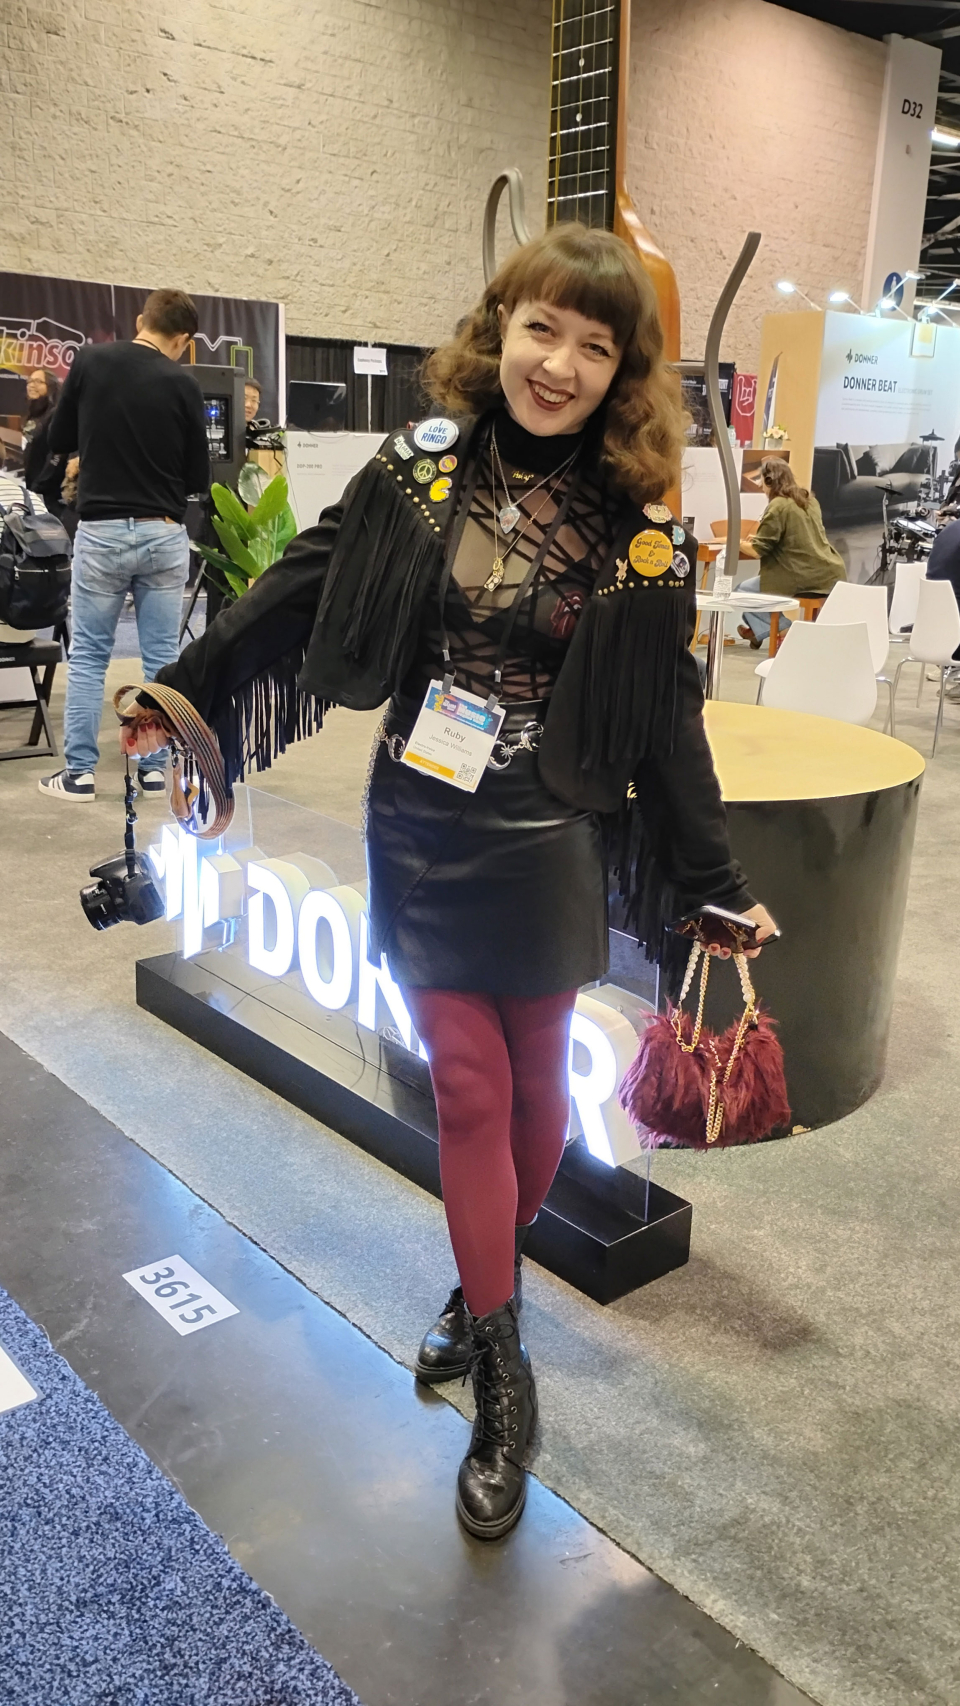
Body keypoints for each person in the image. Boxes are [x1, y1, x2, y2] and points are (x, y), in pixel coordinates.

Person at [119, 226, 776, 1540]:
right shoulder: (417, 471)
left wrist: (711, 875)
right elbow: (301, 586)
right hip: (419, 814)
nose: (561, 362)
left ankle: (481, 1285)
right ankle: (503, 1364)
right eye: (544, 327)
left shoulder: (642, 536)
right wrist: (186, 687)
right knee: (468, 1088)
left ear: (620, 371)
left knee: (538, 1098)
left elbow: (669, 720)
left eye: (596, 344)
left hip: (550, 825)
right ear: (502, 325)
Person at [39, 288, 210, 802]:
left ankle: (80, 776)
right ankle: (155, 769)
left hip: (102, 529)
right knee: (160, 654)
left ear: (141, 320)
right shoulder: (184, 383)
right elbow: (198, 475)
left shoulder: (91, 361)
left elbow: (58, 438)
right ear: (181, 338)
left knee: (90, 656)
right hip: (162, 532)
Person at [736, 457, 845, 648]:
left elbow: (757, 551)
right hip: (829, 572)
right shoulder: (810, 501)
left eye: (761, 481)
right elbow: (796, 536)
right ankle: (758, 631)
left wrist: (735, 542)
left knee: (742, 592)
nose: (761, 486)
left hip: (801, 574)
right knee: (756, 591)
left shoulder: (778, 505)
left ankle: (786, 630)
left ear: (769, 481)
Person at [21, 368, 69, 515]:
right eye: (30, 381)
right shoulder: (33, 414)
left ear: (51, 387)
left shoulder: (56, 414)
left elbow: (57, 454)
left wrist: (39, 486)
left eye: (38, 381)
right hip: (32, 491)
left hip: (47, 496)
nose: (32, 385)